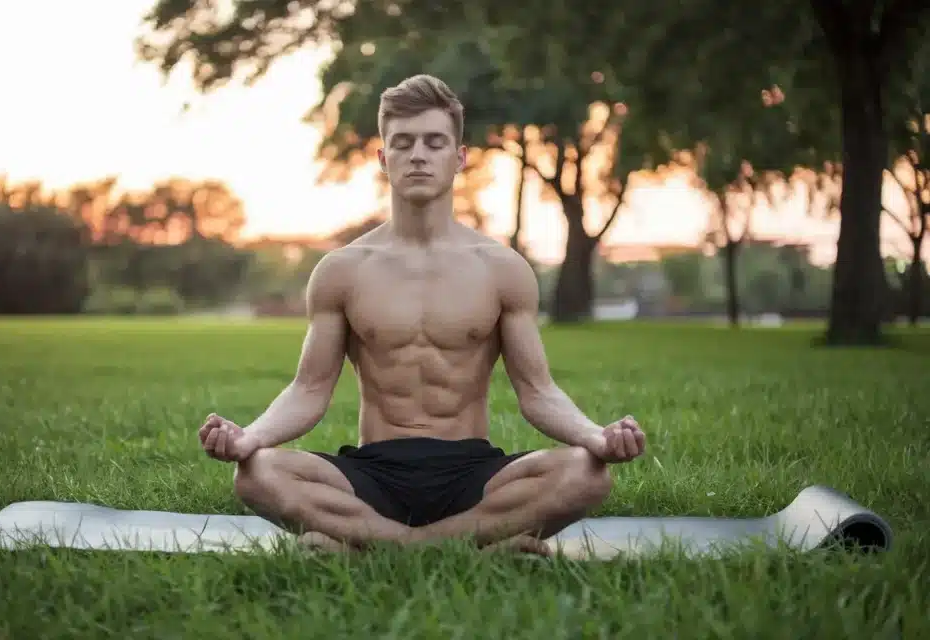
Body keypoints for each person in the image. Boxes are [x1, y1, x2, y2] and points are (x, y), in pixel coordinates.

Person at [198, 74, 646, 555]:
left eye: (434, 143)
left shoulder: (502, 270)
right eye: (403, 143)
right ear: (381, 158)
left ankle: (377, 548)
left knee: (587, 475)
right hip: (373, 472)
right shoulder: (342, 270)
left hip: (473, 471)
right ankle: (463, 549)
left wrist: (595, 437)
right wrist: (251, 438)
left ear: (459, 158)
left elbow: (537, 392)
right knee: (257, 475)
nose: (417, 155)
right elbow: (309, 390)